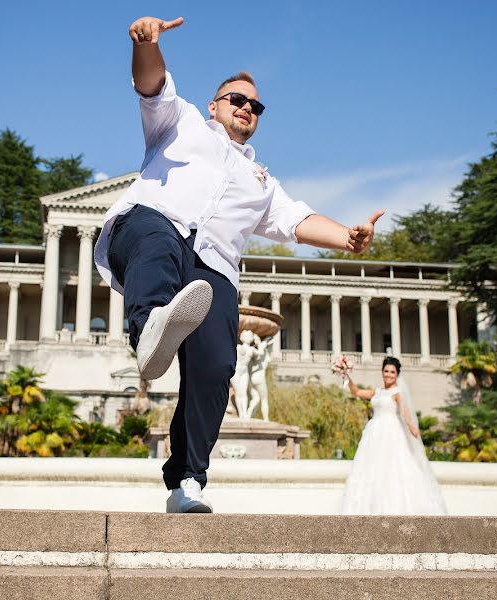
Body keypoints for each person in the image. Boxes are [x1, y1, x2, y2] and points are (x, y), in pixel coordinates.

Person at [93, 15, 384, 513]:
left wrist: (348, 239)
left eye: (256, 105)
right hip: (151, 226)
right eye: (237, 99)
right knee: (158, 235)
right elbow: (151, 83)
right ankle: (148, 331)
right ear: (215, 106)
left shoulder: (261, 180)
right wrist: (146, 44)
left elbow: (297, 219)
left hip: (214, 270)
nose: (247, 107)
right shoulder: (179, 121)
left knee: (214, 369)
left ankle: (186, 482)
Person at [340, 357, 447, 515]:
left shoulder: (397, 393)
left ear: (397, 374)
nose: (389, 374)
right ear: (382, 372)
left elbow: (405, 413)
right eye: (386, 371)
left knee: (393, 469)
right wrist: (346, 375)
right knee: (370, 469)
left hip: (391, 433)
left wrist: (413, 429)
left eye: (392, 372)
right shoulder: (377, 391)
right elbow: (356, 392)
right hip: (374, 433)